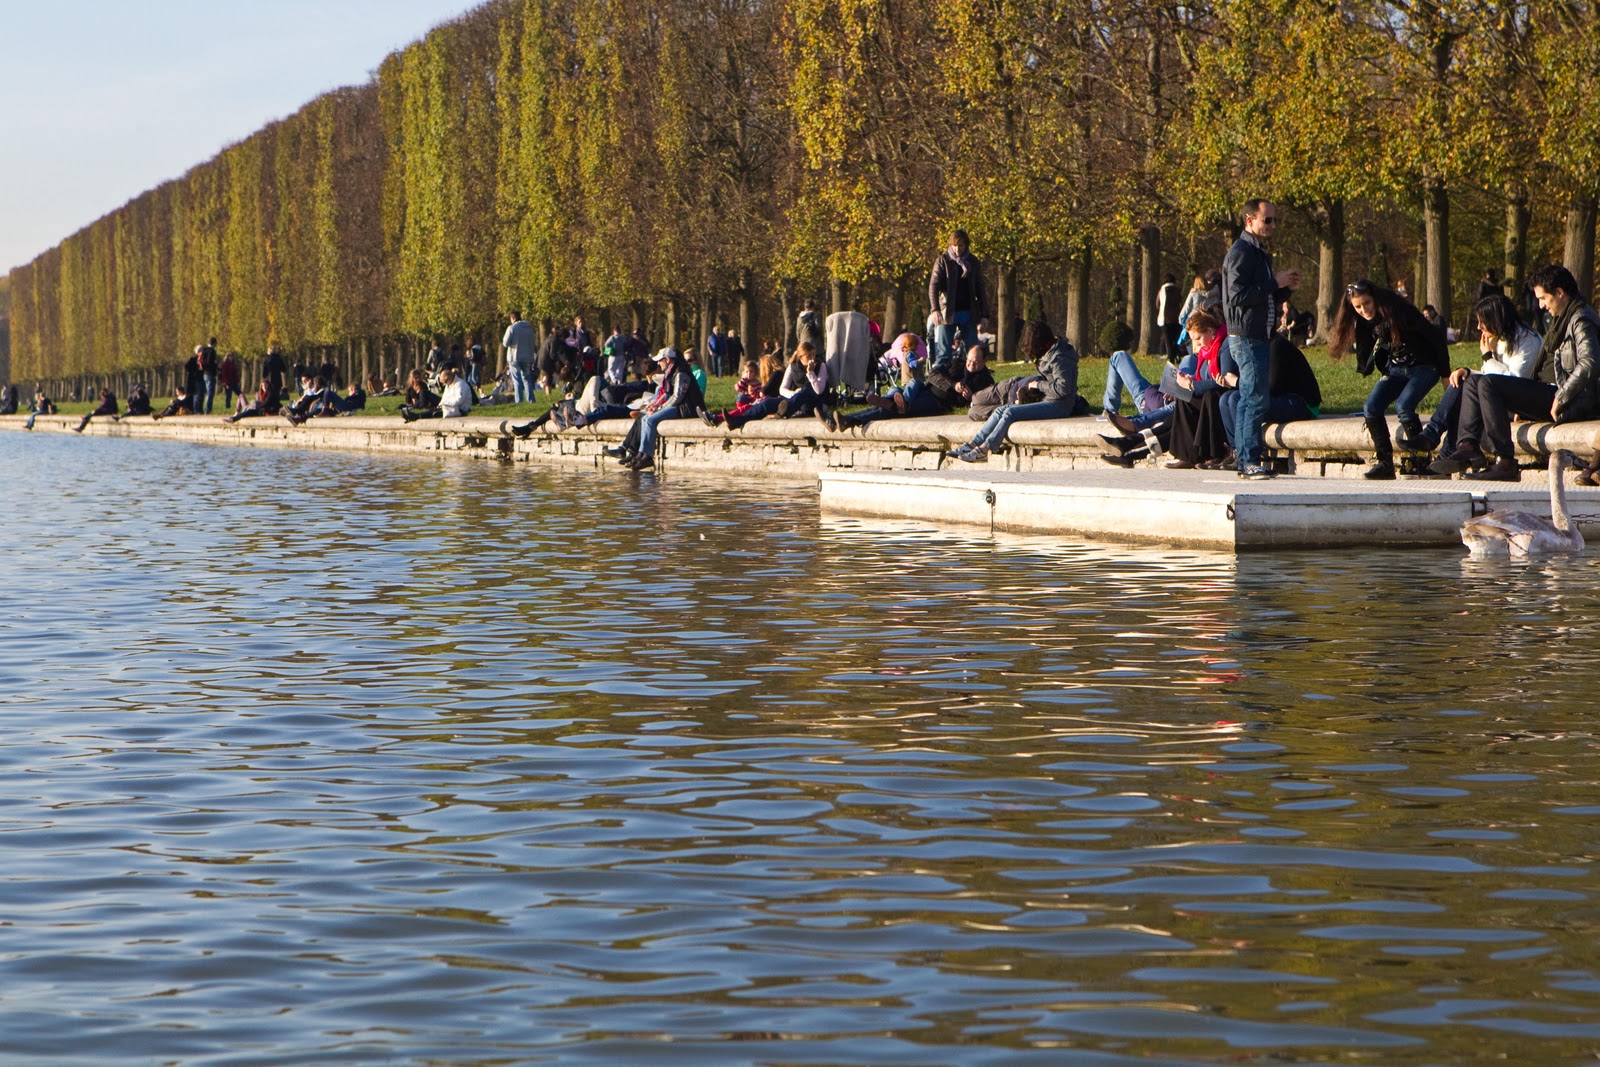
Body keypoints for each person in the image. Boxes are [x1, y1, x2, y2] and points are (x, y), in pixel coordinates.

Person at [1434, 264, 1600, 482]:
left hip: (1572, 399)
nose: (1540, 305)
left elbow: (1590, 362)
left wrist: (1562, 396)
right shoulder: (1564, 319)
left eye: (1543, 298)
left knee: (1489, 384)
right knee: (1475, 380)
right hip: (1553, 391)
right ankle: (1467, 445)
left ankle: (1505, 461)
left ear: (1560, 292)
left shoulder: (1581, 319)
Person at [1328, 279, 1449, 479]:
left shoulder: (1400, 311)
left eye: (1366, 303)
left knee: (1404, 406)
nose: (1363, 310)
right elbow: (1368, 346)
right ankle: (1385, 462)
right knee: (1371, 407)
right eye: (1357, 307)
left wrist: (1445, 374)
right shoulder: (1365, 320)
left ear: (1375, 298)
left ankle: (1420, 459)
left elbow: (1436, 337)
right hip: (1396, 370)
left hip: (1424, 366)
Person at [1400, 294, 1540, 457]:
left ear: (1497, 319)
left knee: (1465, 398)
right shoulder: (1500, 339)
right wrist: (1467, 371)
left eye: (1483, 322)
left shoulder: (1526, 340)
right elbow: (1491, 376)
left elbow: (1513, 382)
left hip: (1522, 402)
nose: (1479, 327)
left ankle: (1439, 445)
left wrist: (1488, 356)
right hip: (1497, 397)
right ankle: (1435, 441)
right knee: (1461, 381)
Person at [1223, 198, 1300, 479]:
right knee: (1256, 399)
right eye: (1266, 220)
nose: (1272, 225)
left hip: (1256, 334)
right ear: (1249, 221)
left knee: (1248, 398)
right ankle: (1249, 460)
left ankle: (1244, 459)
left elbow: (1263, 297)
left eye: (1274, 220)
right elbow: (1237, 296)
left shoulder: (1258, 253)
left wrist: (1285, 288)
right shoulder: (1242, 252)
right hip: (1246, 336)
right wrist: (1274, 283)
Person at [953, 321, 1082, 463]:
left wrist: (1039, 384)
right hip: (1048, 400)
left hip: (1060, 406)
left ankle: (985, 449)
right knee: (1000, 411)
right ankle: (972, 444)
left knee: (1010, 412)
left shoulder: (1060, 357)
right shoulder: (1050, 352)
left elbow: (1063, 389)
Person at [614, 347, 704, 471]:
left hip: (686, 409)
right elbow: (667, 394)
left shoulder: (681, 373)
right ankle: (641, 453)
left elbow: (677, 397)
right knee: (645, 418)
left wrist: (660, 408)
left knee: (650, 420)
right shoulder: (671, 372)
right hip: (678, 406)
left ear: (667, 359)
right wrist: (655, 405)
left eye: (660, 360)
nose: (658, 363)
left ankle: (648, 457)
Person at [928, 228, 989, 372]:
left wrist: (984, 315)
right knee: (943, 354)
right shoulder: (942, 261)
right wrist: (935, 309)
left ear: (966, 245)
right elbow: (933, 286)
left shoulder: (973, 262)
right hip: (947, 312)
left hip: (968, 311)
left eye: (960, 246)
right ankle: (942, 384)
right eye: (954, 245)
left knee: (973, 351)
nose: (957, 249)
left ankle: (976, 380)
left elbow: (980, 289)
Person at [700, 359, 765, 427]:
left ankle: (716, 418)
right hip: (745, 403)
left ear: (756, 373)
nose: (748, 374)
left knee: (744, 407)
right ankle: (716, 417)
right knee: (741, 396)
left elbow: (758, 397)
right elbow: (737, 388)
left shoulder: (758, 384)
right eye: (747, 372)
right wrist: (743, 379)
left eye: (751, 372)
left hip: (753, 403)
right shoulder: (745, 382)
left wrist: (752, 393)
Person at [775, 341, 829, 418]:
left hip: (817, 402)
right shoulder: (792, 367)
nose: (812, 358)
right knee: (768, 403)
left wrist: (811, 372)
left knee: (805, 391)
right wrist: (794, 393)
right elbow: (782, 389)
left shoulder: (821, 366)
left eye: (813, 354)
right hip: (798, 402)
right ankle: (752, 414)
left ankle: (784, 412)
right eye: (809, 356)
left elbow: (819, 390)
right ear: (801, 357)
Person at [402, 366, 473, 421]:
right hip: (450, 407)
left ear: (449, 378)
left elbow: (459, 400)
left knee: (435, 413)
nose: (444, 384)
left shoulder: (460, 384)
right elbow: (444, 398)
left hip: (461, 409)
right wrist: (440, 405)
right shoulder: (449, 384)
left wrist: (445, 404)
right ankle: (415, 416)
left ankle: (415, 416)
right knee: (433, 410)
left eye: (444, 382)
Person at [503, 311, 538, 404]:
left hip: (514, 357)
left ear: (513, 318)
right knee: (527, 378)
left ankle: (519, 400)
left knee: (517, 379)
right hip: (527, 357)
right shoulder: (529, 328)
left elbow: (505, 343)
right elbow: (533, 341)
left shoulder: (512, 328)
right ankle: (531, 399)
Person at [1156, 273, 1182, 361]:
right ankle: (1177, 356)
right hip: (1176, 319)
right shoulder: (1177, 290)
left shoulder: (1162, 290)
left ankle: (1171, 358)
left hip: (1165, 319)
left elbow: (1157, 304)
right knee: (1175, 340)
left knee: (1168, 341)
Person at [196, 337, 219, 414]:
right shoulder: (212, 351)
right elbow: (210, 362)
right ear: (214, 343)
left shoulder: (204, 349)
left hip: (204, 373)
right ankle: (208, 410)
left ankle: (200, 408)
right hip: (210, 373)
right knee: (210, 393)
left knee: (206, 392)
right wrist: (216, 366)